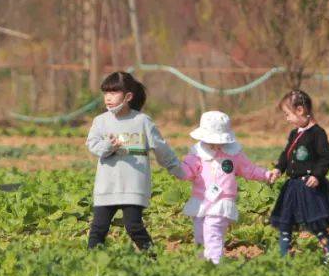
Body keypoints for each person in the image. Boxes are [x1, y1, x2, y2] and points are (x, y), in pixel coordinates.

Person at [85, 70, 185, 251]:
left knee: (134, 227)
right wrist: (109, 147)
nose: (108, 97)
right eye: (106, 93)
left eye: (114, 92)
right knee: (98, 229)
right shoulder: (100, 121)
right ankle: (92, 264)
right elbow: (92, 145)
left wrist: (178, 169)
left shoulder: (142, 121)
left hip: (133, 186)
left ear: (128, 96)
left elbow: (161, 148)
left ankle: (153, 260)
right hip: (107, 186)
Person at [179, 111, 272, 264]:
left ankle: (215, 265)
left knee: (213, 232)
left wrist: (266, 175)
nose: (214, 145)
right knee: (200, 235)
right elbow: (188, 171)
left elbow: (249, 169)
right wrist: (178, 170)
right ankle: (202, 264)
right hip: (201, 202)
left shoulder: (233, 153)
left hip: (221, 203)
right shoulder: (197, 153)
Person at [268, 90, 329, 261]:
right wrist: (279, 169)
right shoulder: (294, 133)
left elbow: (326, 157)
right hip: (292, 187)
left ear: (300, 110)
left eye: (287, 114)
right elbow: (286, 155)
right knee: (285, 222)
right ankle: (283, 256)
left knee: (314, 222)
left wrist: (317, 175)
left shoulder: (317, 133)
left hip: (309, 186)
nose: (286, 118)